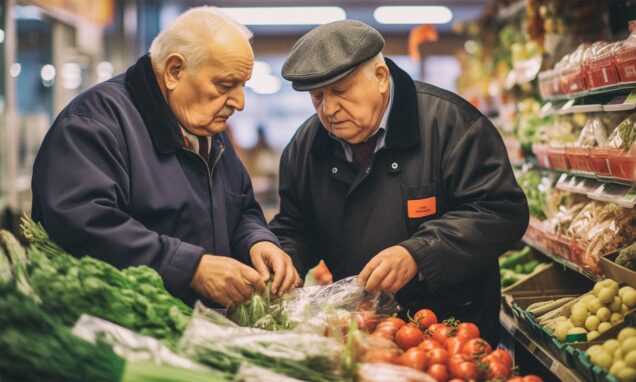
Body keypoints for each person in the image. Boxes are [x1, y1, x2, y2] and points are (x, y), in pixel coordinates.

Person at [270, 20, 529, 345]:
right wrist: (284, 261)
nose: (329, 110)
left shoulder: (452, 126)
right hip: (363, 334)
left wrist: (419, 254)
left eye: (340, 91)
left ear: (380, 78)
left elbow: (501, 212)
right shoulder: (306, 146)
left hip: (453, 336)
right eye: (317, 97)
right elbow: (296, 226)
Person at [31, 7, 300, 308]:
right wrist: (192, 267)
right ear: (174, 71)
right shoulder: (93, 124)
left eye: (242, 85)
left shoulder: (209, 129)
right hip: (121, 330)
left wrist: (257, 241)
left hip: (199, 331)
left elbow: (241, 209)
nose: (239, 102)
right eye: (225, 86)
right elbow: (83, 224)